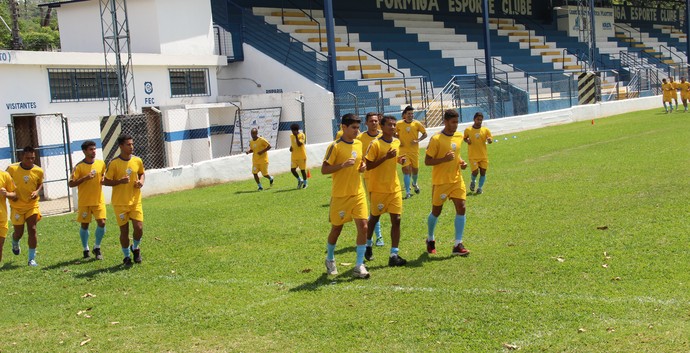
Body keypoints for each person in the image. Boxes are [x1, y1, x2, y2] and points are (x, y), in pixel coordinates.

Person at [322, 113, 370, 279]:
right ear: (344, 127)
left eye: (358, 127)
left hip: (358, 193)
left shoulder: (358, 143)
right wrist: (342, 165)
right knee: (337, 229)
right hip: (340, 195)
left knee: (364, 226)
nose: (357, 131)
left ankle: (359, 264)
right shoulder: (334, 146)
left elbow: (361, 162)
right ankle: (330, 258)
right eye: (354, 127)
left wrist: (362, 166)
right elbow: (324, 169)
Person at [424, 110, 470, 257]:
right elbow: (427, 161)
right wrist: (443, 159)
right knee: (436, 212)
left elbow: (456, 155)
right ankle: (430, 239)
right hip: (441, 182)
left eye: (457, 122)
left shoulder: (459, 136)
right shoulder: (436, 139)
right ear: (445, 121)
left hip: (456, 180)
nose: (455, 125)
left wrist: (461, 162)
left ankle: (458, 244)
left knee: (461, 207)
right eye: (452, 122)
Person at [363, 115, 407, 266]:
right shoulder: (375, 144)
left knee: (397, 219)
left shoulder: (396, 142)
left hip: (394, 187)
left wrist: (398, 160)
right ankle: (368, 245)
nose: (393, 127)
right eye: (389, 125)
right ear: (382, 127)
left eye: (394, 125)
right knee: (374, 218)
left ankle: (394, 255)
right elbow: (368, 166)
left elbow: (393, 159)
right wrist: (386, 157)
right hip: (378, 188)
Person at [103, 134, 145, 266]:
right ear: (121, 146)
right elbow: (105, 181)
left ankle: (136, 248)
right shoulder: (114, 163)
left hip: (135, 201)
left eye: (132, 144)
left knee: (139, 228)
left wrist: (141, 182)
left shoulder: (137, 160)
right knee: (124, 231)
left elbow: (142, 173)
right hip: (120, 203)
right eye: (128, 144)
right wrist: (119, 181)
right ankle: (127, 256)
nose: (131, 147)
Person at [68, 140, 107, 260]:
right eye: (91, 149)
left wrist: (104, 179)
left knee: (102, 222)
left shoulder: (101, 164)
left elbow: (104, 175)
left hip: (98, 200)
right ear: (84, 151)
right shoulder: (79, 167)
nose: (93, 151)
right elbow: (71, 184)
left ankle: (97, 247)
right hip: (85, 201)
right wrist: (85, 178)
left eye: (94, 149)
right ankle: (86, 249)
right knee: (84, 225)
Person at [6, 146, 44, 266]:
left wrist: (37, 192)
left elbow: (40, 183)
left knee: (32, 229)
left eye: (33, 158)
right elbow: (4, 183)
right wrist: (11, 195)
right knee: (19, 232)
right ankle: (15, 241)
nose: (30, 161)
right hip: (17, 206)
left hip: (32, 205)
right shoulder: (12, 169)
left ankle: (31, 259)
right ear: (22, 157)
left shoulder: (38, 170)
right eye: (28, 158)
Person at [357, 112, 384, 247]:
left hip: (385, 177)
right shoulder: (361, 138)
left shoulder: (383, 135)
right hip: (369, 176)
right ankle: (377, 236)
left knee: (383, 206)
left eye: (376, 121)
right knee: (374, 206)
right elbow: (359, 156)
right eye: (371, 121)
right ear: (366, 123)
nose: (374, 123)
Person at [396, 105, 427, 199]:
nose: (411, 115)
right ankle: (407, 192)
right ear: (404, 115)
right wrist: (398, 140)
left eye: (412, 114)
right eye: (409, 114)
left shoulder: (417, 123)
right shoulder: (399, 124)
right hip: (403, 152)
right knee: (406, 170)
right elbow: (393, 133)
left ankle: (414, 183)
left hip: (414, 151)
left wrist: (418, 140)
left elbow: (425, 134)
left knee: (415, 170)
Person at [463, 112, 493, 195]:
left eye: (481, 120)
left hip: (483, 156)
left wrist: (489, 140)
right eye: (478, 119)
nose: (479, 121)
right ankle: (473, 181)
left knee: (483, 172)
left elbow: (490, 139)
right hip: (473, 156)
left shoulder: (485, 130)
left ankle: (479, 188)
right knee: (475, 172)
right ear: (474, 119)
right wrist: (467, 140)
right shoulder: (468, 130)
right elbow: (464, 138)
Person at [0, 168, 17, 264]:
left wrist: (6, 194)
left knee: (0, 245)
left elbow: (15, 195)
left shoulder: (4, 175)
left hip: (1, 217)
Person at [289, 124, 308, 189]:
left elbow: (299, 144)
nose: (292, 132)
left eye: (294, 131)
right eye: (292, 131)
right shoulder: (291, 136)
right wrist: (291, 148)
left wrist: (296, 136)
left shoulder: (302, 135)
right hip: (294, 156)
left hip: (301, 156)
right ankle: (300, 180)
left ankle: (305, 183)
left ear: (297, 130)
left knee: (302, 170)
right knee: (292, 170)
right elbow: (293, 144)